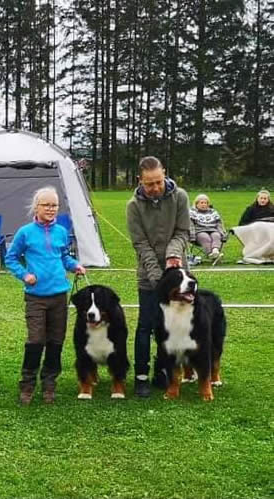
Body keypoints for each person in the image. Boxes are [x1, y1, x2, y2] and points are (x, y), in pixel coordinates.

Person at [6, 186, 86, 405]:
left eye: (55, 205)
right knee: (35, 340)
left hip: (60, 295)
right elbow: (10, 258)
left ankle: (49, 384)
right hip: (36, 297)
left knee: (56, 341)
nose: (51, 209)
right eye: (46, 205)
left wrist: (75, 265)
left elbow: (63, 257)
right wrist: (25, 275)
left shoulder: (61, 231)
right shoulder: (25, 232)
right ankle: (27, 384)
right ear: (36, 207)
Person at [126, 156, 190, 398]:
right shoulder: (133, 206)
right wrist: (157, 276)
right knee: (146, 326)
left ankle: (164, 371)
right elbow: (140, 244)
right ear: (140, 181)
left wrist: (174, 257)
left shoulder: (181, 197)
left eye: (158, 182)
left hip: (178, 273)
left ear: (165, 173)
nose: (154, 188)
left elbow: (183, 231)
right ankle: (141, 376)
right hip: (148, 276)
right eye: (149, 184)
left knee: (172, 326)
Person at [189, 194, 227, 260]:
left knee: (216, 235)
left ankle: (215, 251)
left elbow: (219, 224)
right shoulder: (192, 212)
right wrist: (192, 235)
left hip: (213, 229)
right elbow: (190, 225)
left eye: (205, 203)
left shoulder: (213, 212)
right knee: (205, 237)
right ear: (196, 204)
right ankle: (210, 253)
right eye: (201, 203)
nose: (203, 205)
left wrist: (222, 233)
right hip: (199, 231)